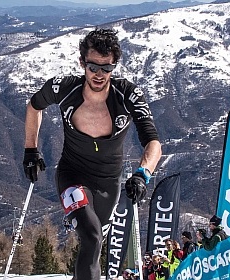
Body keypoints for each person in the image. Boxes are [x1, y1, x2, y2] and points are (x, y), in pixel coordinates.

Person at [22, 28, 162, 280]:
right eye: (93, 67)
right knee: (92, 236)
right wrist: (30, 150)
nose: (99, 75)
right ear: (82, 63)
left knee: (95, 245)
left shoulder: (127, 94)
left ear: (114, 66)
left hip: (109, 183)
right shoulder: (63, 88)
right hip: (72, 175)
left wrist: (143, 174)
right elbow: (34, 107)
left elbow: (153, 142)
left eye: (106, 69)